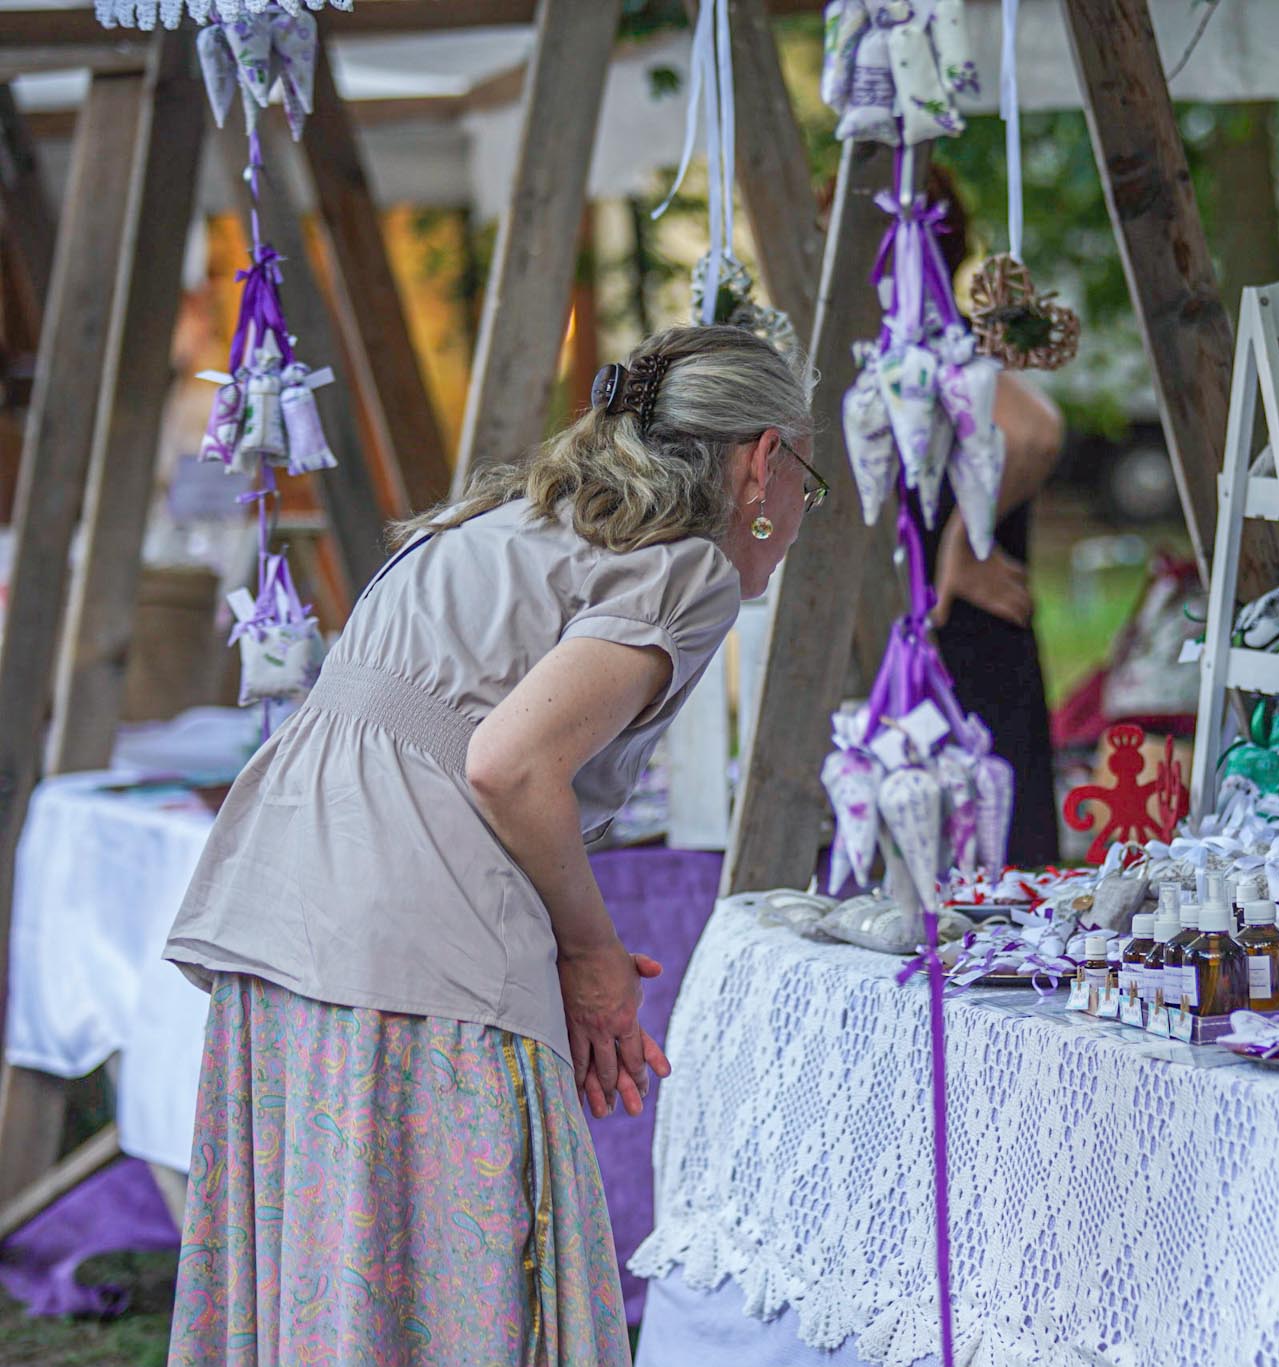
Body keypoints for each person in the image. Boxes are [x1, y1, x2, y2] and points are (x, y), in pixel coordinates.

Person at [162, 325, 821, 1364]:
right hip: (415, 933)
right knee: (450, 1278)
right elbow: (509, 765)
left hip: (285, 904)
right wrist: (592, 955)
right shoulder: (684, 569)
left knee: (335, 1264)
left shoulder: (509, 518)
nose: (798, 514)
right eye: (806, 483)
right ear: (762, 461)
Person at [920, 164, 1067, 866]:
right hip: (935, 636)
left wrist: (965, 539)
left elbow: (1036, 431)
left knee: (1000, 854)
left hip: (975, 632)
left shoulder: (938, 345)